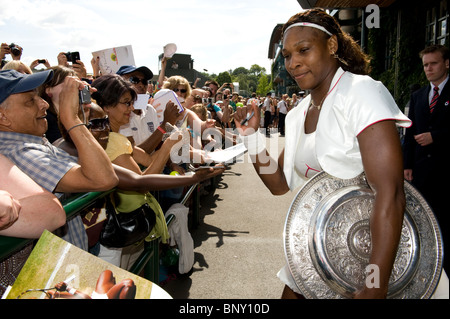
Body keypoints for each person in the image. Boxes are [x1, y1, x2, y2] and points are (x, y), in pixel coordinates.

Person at [234, 9, 414, 299]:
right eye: (287, 56)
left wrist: (374, 284)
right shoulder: (297, 114)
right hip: (318, 255)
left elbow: (390, 193)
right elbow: (279, 184)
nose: (293, 63)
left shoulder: (362, 92)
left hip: (375, 260)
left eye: (303, 50)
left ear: (332, 46)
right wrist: (252, 138)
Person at [0, 69, 119, 252]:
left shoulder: (29, 141)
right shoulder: (20, 152)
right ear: (2, 116)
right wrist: (70, 118)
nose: (43, 104)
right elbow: (104, 178)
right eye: (30, 101)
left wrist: (70, 110)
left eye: (39, 96)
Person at [403, 44, 449, 273]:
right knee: (424, 221)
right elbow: (409, 134)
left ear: (446, 63)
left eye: (433, 63)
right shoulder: (419, 95)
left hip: (446, 172)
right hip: (421, 173)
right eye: (425, 65)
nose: (428, 69)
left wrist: (436, 137)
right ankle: (427, 266)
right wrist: (407, 165)